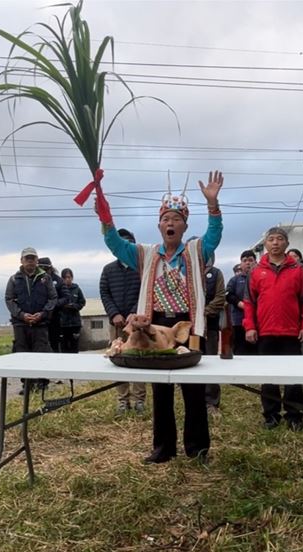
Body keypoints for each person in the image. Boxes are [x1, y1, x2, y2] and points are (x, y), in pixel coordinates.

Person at [99, 171, 225, 464]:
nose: (171, 224)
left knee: (193, 387)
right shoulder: (146, 254)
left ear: (185, 225)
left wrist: (213, 204)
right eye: (166, 220)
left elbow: (215, 236)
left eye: (176, 219)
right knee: (160, 388)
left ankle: (198, 448)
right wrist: (106, 220)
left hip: (188, 324)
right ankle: (163, 448)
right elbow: (117, 245)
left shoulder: (196, 250)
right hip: (154, 326)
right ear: (159, 225)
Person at [243, 227, 303, 431]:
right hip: (265, 332)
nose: (275, 243)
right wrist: (249, 327)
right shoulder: (256, 271)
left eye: (280, 239)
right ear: (265, 244)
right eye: (271, 239)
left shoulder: (298, 270)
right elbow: (249, 302)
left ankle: (294, 415)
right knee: (268, 375)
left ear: (287, 243)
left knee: (293, 375)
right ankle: (271, 415)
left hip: (291, 332)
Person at [100, 228, 147, 415]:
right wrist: (114, 314)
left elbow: (146, 290)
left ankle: (139, 400)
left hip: (138, 326)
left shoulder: (142, 267)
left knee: (138, 359)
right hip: (117, 325)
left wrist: (135, 313)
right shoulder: (108, 270)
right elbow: (104, 293)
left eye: (129, 243)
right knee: (118, 359)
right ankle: (122, 400)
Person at [5, 247, 57, 353]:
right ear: (21, 260)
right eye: (27, 258)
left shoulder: (46, 278)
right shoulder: (14, 279)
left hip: (41, 326)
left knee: (42, 358)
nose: (30, 261)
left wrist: (43, 313)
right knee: (21, 358)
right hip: (20, 326)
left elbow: (53, 298)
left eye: (32, 258)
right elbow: (9, 299)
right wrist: (22, 315)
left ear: (37, 260)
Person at [201, 262, 226, 416]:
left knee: (210, 362)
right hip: (190, 326)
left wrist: (204, 312)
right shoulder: (185, 271)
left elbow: (220, 296)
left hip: (210, 324)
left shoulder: (216, 273)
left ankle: (212, 402)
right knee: (191, 362)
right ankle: (195, 400)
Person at [226, 250, 258, 356]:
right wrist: (240, 304)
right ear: (241, 264)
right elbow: (228, 295)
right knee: (240, 351)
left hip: (258, 321)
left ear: (255, 262)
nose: (248, 263)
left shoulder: (260, 277)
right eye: (245, 261)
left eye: (250, 260)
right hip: (239, 321)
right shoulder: (235, 280)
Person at [55, 268, 86, 354]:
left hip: (75, 323)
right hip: (62, 324)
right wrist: (63, 305)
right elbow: (55, 303)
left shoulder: (77, 289)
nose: (67, 279)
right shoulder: (58, 289)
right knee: (63, 348)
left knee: (74, 348)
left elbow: (82, 302)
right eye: (65, 278)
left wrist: (74, 306)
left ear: (72, 277)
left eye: (69, 277)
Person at [39, 257, 64, 353]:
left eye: (45, 268)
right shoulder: (35, 280)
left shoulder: (58, 281)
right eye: (40, 268)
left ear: (50, 268)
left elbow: (66, 298)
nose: (43, 270)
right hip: (39, 318)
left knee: (55, 344)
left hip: (54, 317)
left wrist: (52, 304)